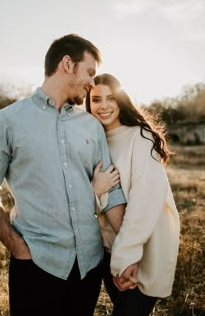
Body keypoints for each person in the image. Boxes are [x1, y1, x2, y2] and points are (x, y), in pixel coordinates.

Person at [0, 35, 127, 316]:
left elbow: (112, 191)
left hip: (89, 266)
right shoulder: (6, 122)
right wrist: (18, 248)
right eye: (89, 72)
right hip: (35, 266)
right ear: (67, 64)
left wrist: (129, 250)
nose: (92, 83)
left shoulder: (91, 126)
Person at [86, 73, 180, 316]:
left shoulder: (139, 137)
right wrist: (95, 189)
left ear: (121, 100)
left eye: (111, 98)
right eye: (96, 99)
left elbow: (144, 204)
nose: (104, 106)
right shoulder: (92, 142)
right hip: (109, 251)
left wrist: (126, 256)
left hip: (142, 250)